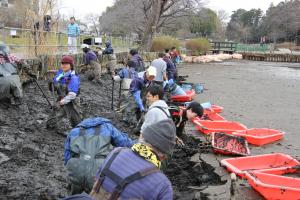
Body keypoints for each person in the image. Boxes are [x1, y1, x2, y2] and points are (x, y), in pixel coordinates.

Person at [90, 119, 176, 199]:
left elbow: (96, 180)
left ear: (142, 137)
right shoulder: (163, 185)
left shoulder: (116, 152)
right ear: (163, 156)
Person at [64, 117, 135, 195]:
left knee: (73, 196)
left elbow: (67, 157)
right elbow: (125, 143)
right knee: (96, 195)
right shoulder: (107, 127)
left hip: (75, 168)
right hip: (97, 170)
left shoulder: (74, 131)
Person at [46, 55, 82, 129]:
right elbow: (54, 88)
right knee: (50, 124)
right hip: (61, 98)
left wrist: (60, 103)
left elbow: (72, 95)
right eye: (62, 63)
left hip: (72, 101)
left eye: (66, 63)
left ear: (71, 65)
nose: (64, 65)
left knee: (77, 125)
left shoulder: (73, 78)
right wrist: (51, 84)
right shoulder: (60, 74)